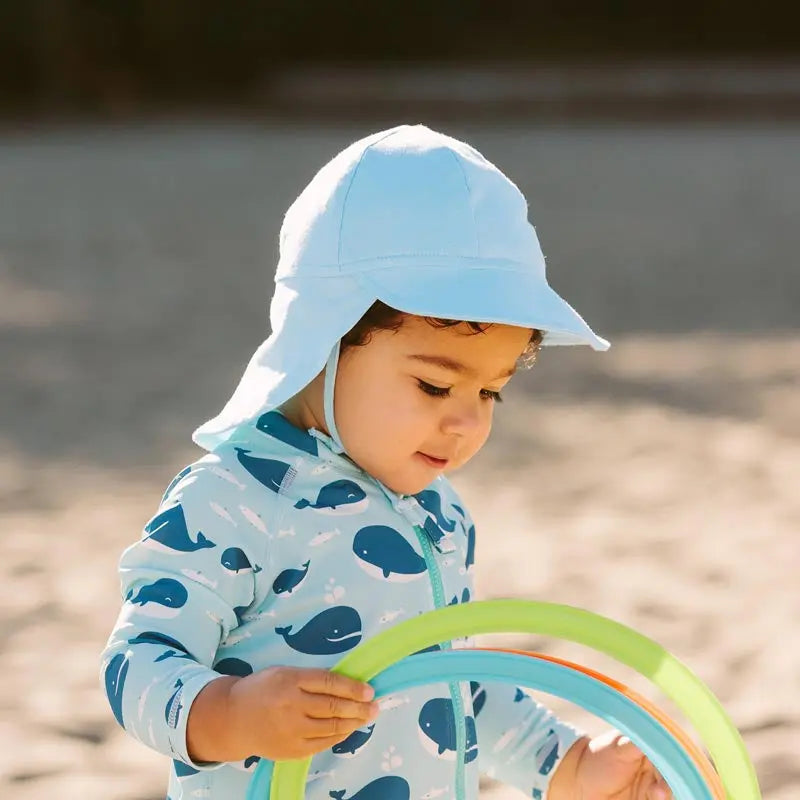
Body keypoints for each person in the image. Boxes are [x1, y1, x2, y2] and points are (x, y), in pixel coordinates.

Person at [100, 125, 671, 800]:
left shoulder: (439, 511)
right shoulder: (233, 498)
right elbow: (137, 664)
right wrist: (232, 712)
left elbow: (457, 687)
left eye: (490, 392)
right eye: (434, 385)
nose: (466, 421)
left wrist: (569, 764)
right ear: (325, 340)